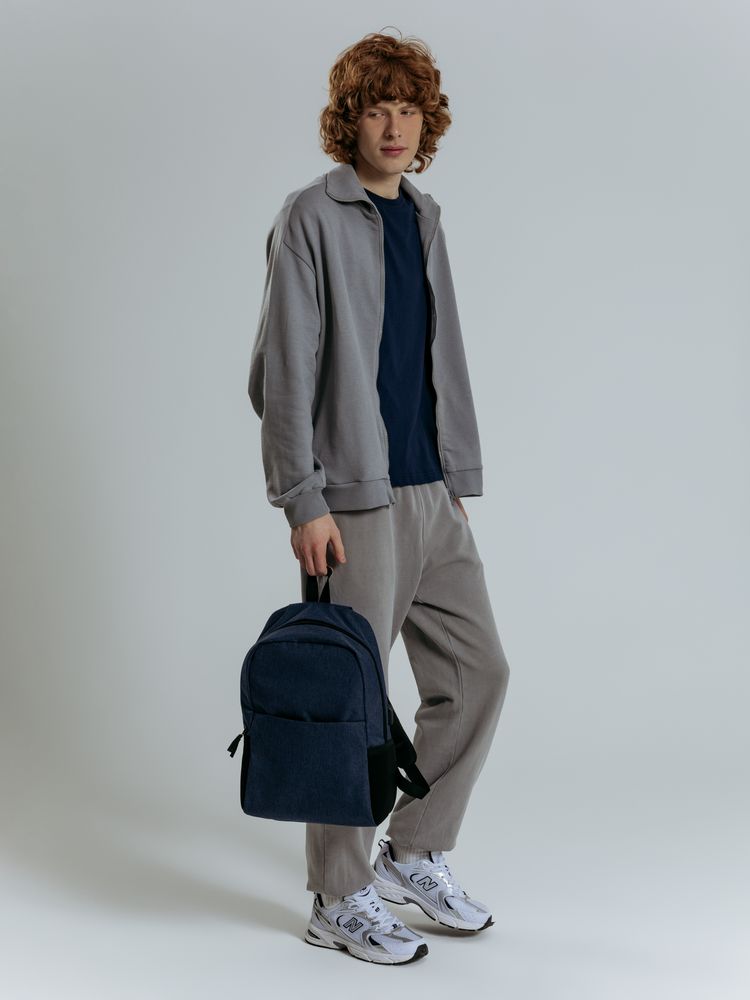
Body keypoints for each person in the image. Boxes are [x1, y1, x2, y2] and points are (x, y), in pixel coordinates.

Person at [248, 30, 510, 965]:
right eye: (376, 108)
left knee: (479, 673)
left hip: (431, 490)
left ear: (426, 124)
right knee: (350, 698)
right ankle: (338, 895)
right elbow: (283, 369)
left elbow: (438, 355)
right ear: (348, 120)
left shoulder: (425, 218)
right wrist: (302, 497)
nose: (394, 126)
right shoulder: (310, 216)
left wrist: (453, 473)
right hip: (353, 500)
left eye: (409, 110)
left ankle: (415, 850)